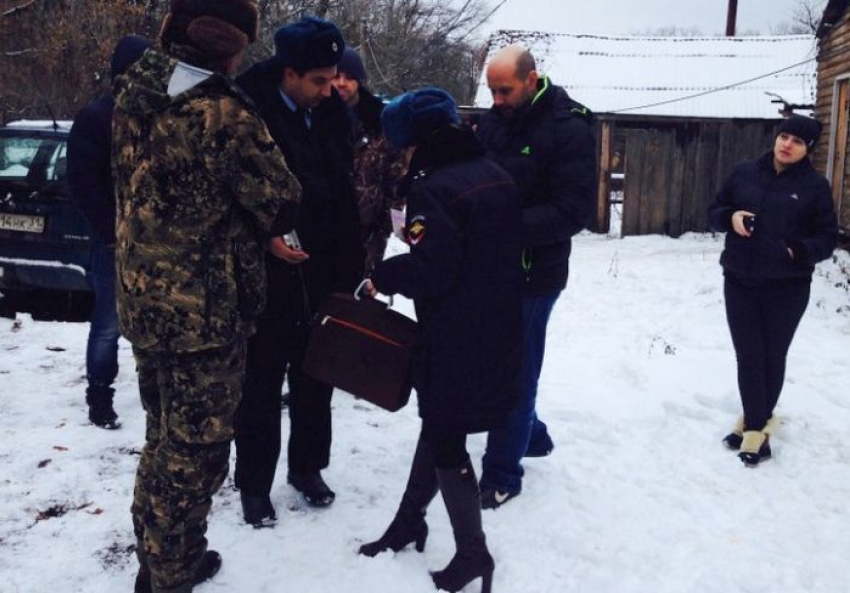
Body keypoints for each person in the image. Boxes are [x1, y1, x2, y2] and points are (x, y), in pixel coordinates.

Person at [111, 1, 301, 590]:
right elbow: (281, 197)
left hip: (144, 302)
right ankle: (167, 575)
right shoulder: (219, 112)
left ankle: (165, 554)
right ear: (227, 42)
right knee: (197, 454)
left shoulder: (135, 93)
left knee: (162, 438)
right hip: (203, 312)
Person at [358, 88, 523, 593]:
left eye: (400, 145)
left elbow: (435, 270)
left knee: (448, 438)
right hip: (498, 325)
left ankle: (474, 554)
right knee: (440, 423)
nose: (398, 155)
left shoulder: (434, 188)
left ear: (416, 140)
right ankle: (409, 522)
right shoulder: (494, 174)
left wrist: (381, 277)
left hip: (455, 333)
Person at [234, 17, 363, 525]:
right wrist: (264, 236)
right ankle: (254, 486)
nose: (332, 89)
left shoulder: (331, 111)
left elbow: (344, 190)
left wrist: (352, 268)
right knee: (261, 384)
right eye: (319, 80)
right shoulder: (246, 109)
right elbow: (228, 193)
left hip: (325, 266)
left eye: (333, 77)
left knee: (317, 376)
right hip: (270, 272)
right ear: (289, 74)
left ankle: (308, 468)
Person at [475, 44, 596, 508]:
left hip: (533, 272)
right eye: (492, 91)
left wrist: (505, 229)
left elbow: (574, 210)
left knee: (517, 372)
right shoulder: (494, 119)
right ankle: (531, 434)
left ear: (531, 79)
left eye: (505, 90)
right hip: (488, 267)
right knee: (497, 361)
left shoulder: (569, 128)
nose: (498, 99)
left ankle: (502, 473)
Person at [708, 114, 838, 466]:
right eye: (784, 137)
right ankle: (756, 426)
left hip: (787, 286)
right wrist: (730, 218)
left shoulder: (815, 187)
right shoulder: (744, 173)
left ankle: (752, 429)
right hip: (739, 278)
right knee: (748, 353)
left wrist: (798, 250)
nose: (787, 144)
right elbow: (715, 210)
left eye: (797, 141)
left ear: (808, 149)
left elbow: (828, 238)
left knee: (771, 355)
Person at [67, 35, 151, 430]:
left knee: (154, 323)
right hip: (113, 242)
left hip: (155, 242)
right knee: (107, 324)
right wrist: (109, 232)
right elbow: (82, 182)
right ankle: (100, 397)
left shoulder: (156, 116)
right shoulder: (97, 118)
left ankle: (156, 394)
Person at [332, 47, 404, 273]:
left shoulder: (382, 124)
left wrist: (381, 246)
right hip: (323, 231)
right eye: (336, 75)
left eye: (350, 77)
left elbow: (395, 190)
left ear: (360, 81)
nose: (342, 83)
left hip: (366, 236)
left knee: (357, 304)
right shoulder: (312, 117)